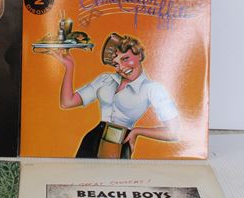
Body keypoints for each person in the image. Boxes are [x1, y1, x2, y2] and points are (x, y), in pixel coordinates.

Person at [49, 32, 180, 158]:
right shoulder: (105, 79)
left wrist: (137, 131)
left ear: (139, 55)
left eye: (125, 59)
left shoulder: (153, 89)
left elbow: (174, 132)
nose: (121, 67)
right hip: (92, 141)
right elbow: (67, 102)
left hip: (119, 143)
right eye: (116, 64)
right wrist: (69, 67)